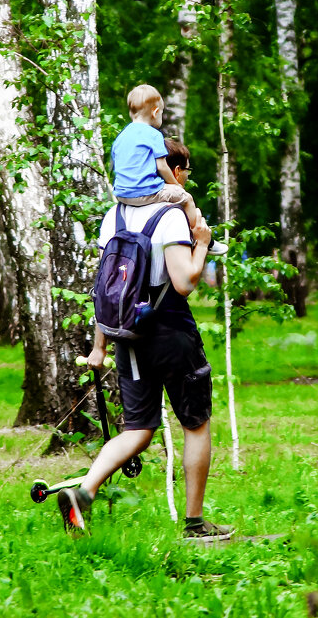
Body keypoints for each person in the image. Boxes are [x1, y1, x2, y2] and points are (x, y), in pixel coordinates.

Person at [58, 140, 233, 541]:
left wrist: (100, 347)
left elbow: (106, 288)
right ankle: (194, 524)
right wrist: (202, 243)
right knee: (195, 424)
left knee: (137, 429)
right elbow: (184, 282)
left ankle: (83, 491)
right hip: (170, 331)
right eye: (184, 169)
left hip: (126, 335)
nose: (186, 177)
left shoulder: (113, 217)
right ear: (168, 169)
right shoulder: (170, 218)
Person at [111, 83, 226, 255]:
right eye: (162, 113)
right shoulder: (153, 135)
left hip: (121, 195)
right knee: (186, 199)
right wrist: (176, 186)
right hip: (144, 192)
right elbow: (162, 166)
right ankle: (201, 238)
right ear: (155, 112)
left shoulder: (121, 137)